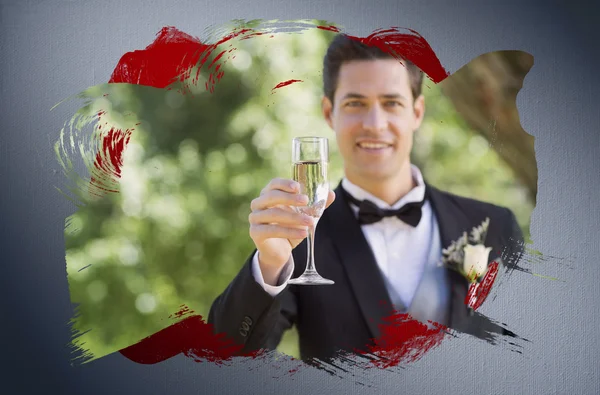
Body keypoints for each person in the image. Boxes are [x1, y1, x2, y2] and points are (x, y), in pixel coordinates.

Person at [207, 33, 525, 362]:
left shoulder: (494, 228)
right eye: (355, 103)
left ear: (417, 112)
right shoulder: (300, 237)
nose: (374, 124)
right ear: (329, 113)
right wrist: (269, 264)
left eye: (391, 103)